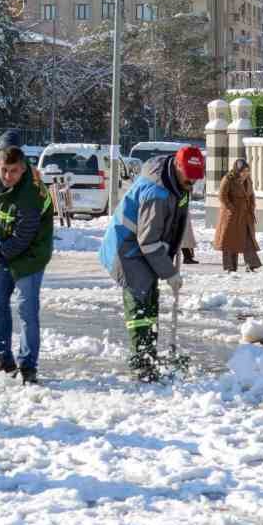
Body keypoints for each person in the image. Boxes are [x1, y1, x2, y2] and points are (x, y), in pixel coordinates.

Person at [98, 145, 205, 381]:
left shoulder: (177, 183)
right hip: (126, 249)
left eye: (196, 179)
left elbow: (174, 220)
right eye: (189, 177)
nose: (192, 183)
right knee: (140, 303)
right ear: (177, 166)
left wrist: (176, 246)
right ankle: (141, 362)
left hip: (144, 249)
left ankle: (148, 355)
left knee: (150, 301)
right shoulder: (156, 193)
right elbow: (148, 241)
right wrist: (169, 273)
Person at [0, 145, 55, 384]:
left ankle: (27, 366)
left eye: (13, 171)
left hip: (31, 255)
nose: (7, 176)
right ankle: (2, 359)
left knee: (26, 311)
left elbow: (23, 238)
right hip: (8, 249)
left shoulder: (30, 194)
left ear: (23, 169)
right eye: (4, 170)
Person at [214, 157, 262, 273]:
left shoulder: (248, 180)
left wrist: (252, 206)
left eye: (247, 171)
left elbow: (251, 194)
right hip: (231, 216)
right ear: (237, 170)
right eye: (243, 171)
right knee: (230, 241)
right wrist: (231, 208)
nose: (246, 173)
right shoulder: (228, 179)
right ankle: (230, 267)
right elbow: (222, 196)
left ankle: (251, 264)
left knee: (248, 239)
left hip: (245, 215)